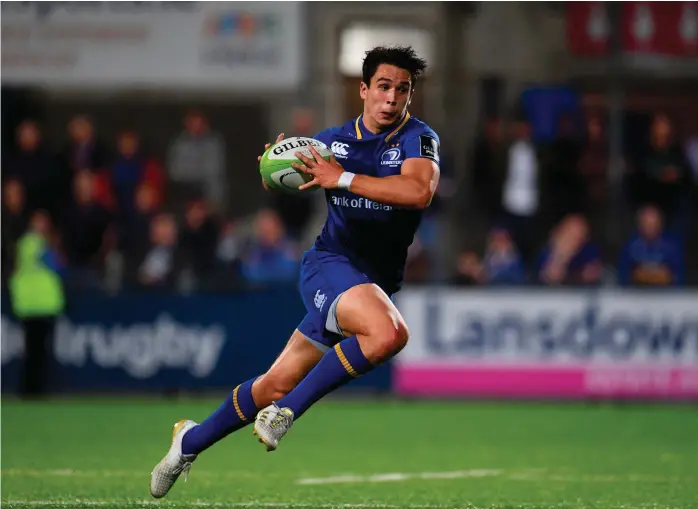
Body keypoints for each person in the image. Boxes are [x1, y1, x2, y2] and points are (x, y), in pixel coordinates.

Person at [150, 45, 441, 498]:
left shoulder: (418, 139)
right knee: (388, 335)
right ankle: (287, 412)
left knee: (272, 383)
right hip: (329, 267)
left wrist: (340, 178)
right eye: (383, 87)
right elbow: (276, 176)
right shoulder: (331, 144)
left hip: (370, 284)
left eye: (402, 90)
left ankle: (190, 440)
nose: (391, 98)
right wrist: (273, 165)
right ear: (363, 90)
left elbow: (418, 190)